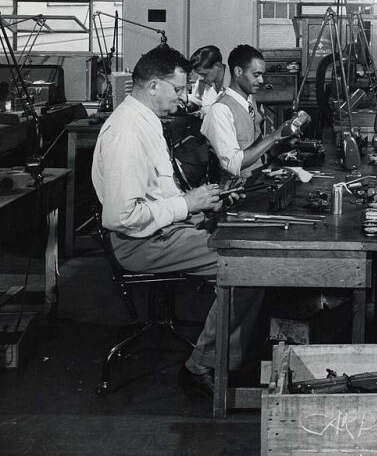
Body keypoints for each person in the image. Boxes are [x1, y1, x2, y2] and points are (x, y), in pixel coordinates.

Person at [91, 45, 264, 398]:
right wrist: (187, 204)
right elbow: (120, 216)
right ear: (153, 85)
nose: (184, 98)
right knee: (249, 265)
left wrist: (204, 203)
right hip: (139, 242)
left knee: (245, 246)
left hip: (162, 230)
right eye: (178, 89)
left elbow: (157, 195)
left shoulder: (148, 120)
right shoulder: (127, 132)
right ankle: (202, 366)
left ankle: (227, 357)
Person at [201, 45, 288, 180]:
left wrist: (285, 139)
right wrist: (274, 137)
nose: (261, 80)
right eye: (256, 75)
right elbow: (232, 164)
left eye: (262, 75)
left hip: (258, 179)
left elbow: (255, 145)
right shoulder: (220, 110)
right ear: (238, 72)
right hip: (238, 193)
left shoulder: (248, 103)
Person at [187, 45, 226, 116]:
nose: (201, 78)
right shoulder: (203, 80)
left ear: (217, 66)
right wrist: (190, 103)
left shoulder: (235, 83)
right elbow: (196, 99)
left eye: (204, 74)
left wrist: (211, 109)